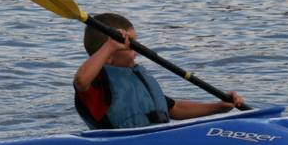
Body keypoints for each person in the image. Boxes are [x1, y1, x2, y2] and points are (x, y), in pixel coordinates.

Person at [73, 12, 245, 129]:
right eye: (131, 45)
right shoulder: (97, 82)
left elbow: (174, 109)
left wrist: (218, 107)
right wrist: (110, 45)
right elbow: (80, 82)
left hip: (157, 140)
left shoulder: (136, 75)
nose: (138, 51)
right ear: (109, 54)